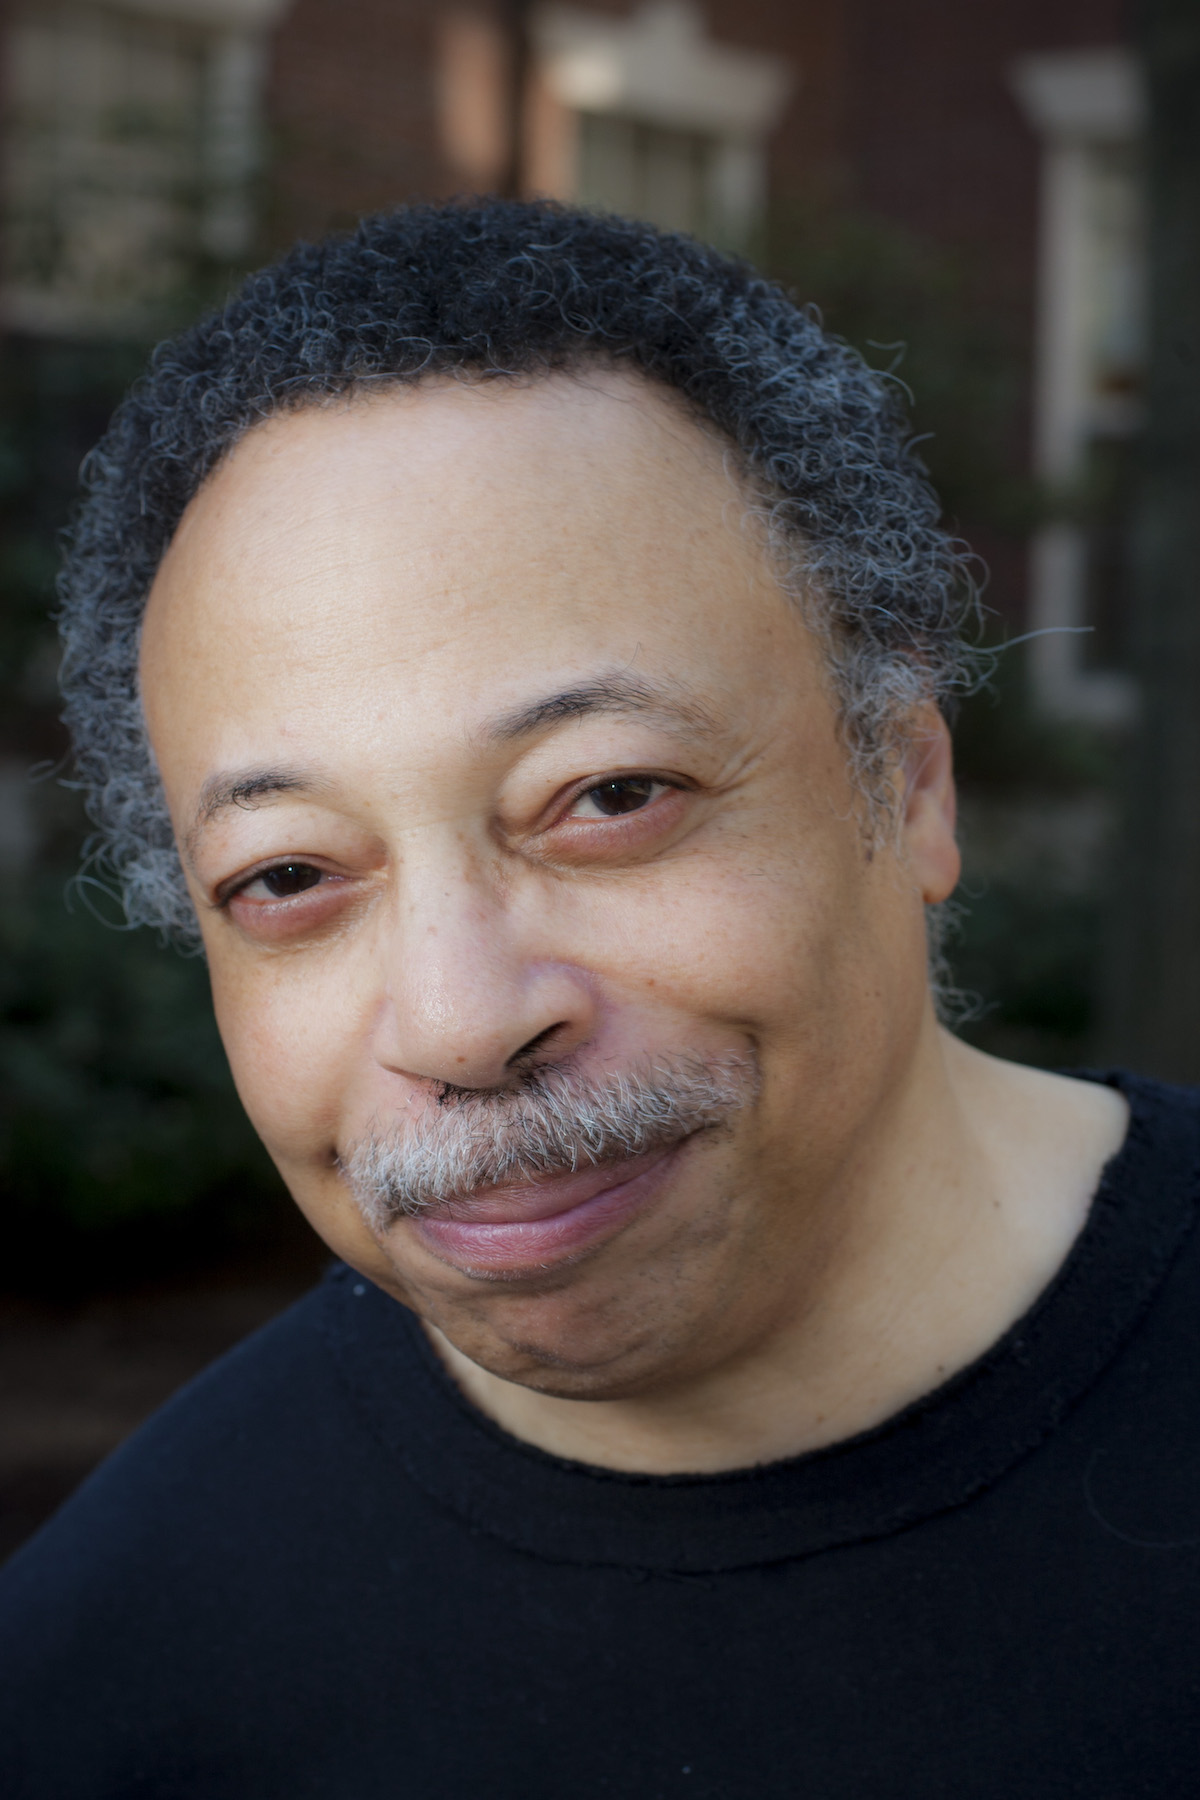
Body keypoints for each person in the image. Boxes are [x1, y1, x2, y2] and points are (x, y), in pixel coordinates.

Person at [1, 199, 1197, 1798]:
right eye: (288, 877)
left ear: (905, 781)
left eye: (610, 793)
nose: (457, 1018)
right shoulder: (99, 1682)